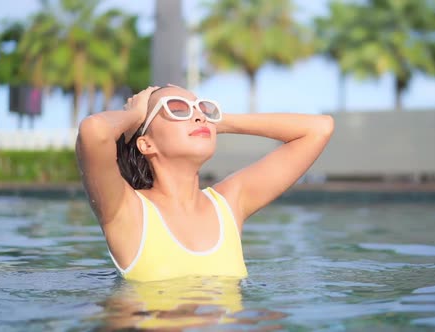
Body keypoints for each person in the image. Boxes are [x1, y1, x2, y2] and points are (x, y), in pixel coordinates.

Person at [76, 85, 334, 282]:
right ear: (146, 143)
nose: (199, 116)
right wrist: (135, 113)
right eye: (177, 109)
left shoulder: (230, 203)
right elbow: (94, 131)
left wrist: (220, 122)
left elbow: (319, 128)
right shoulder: (125, 210)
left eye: (202, 108)